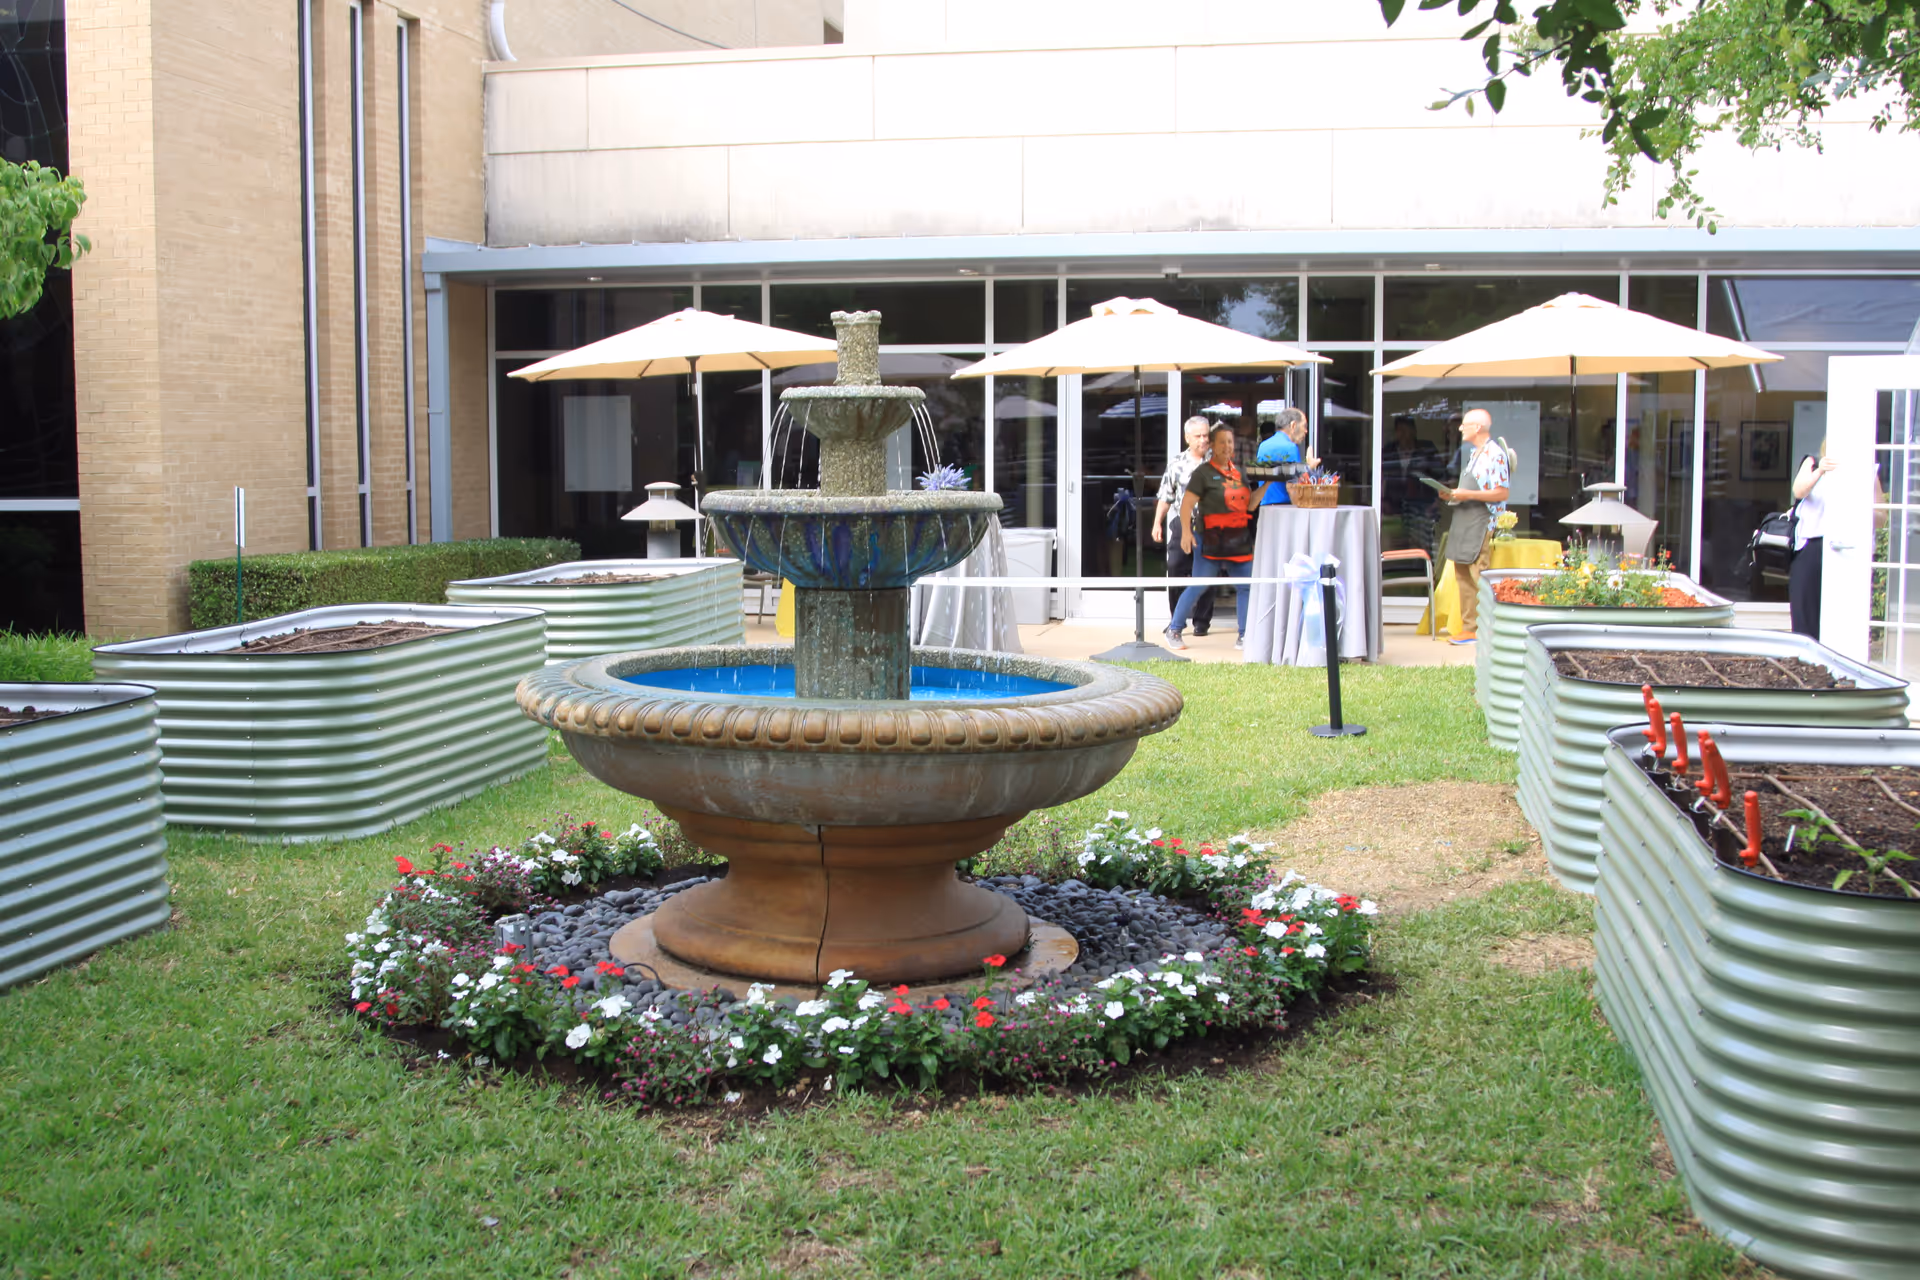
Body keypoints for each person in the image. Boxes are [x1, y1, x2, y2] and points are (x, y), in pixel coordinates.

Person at [1164, 424, 1256, 651]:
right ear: (1213, 446)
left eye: (1230, 442)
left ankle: (1244, 635)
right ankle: (1174, 629)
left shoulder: (1237, 471)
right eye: (1222, 441)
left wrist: (1272, 482)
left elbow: (1250, 503)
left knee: (1245, 586)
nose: (1227, 446)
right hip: (1208, 537)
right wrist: (1186, 532)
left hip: (1236, 539)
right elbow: (1186, 505)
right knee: (1200, 584)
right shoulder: (1203, 472)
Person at [1440, 408, 1510, 645]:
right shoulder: (1474, 454)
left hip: (1481, 523)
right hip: (1464, 520)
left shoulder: (1495, 455)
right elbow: (1472, 491)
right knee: (1462, 573)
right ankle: (1470, 629)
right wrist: (1452, 495)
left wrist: (1466, 493)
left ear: (1478, 427)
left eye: (1465, 424)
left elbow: (1501, 492)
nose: (1460, 428)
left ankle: (1490, 630)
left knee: (1479, 575)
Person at [1152, 416, 1217, 636]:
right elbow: (1165, 495)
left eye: (1206, 435)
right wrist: (1157, 523)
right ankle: (1176, 619)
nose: (1203, 440)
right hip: (1183, 522)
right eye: (1198, 436)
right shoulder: (1176, 463)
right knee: (1176, 568)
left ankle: (1202, 622)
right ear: (1187, 437)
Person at [1788, 441, 1836, 640]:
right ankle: (1805, 655)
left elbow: (1880, 516)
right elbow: (1798, 491)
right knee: (1805, 602)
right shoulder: (1813, 462)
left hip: (1842, 545)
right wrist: (1820, 471)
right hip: (1811, 544)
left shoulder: (1865, 470)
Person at [1255, 407, 1317, 505]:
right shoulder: (1290, 447)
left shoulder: (1263, 445)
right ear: (1293, 425)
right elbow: (1293, 486)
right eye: (1304, 426)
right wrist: (1309, 467)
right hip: (1284, 509)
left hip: (1265, 508)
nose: (1306, 431)